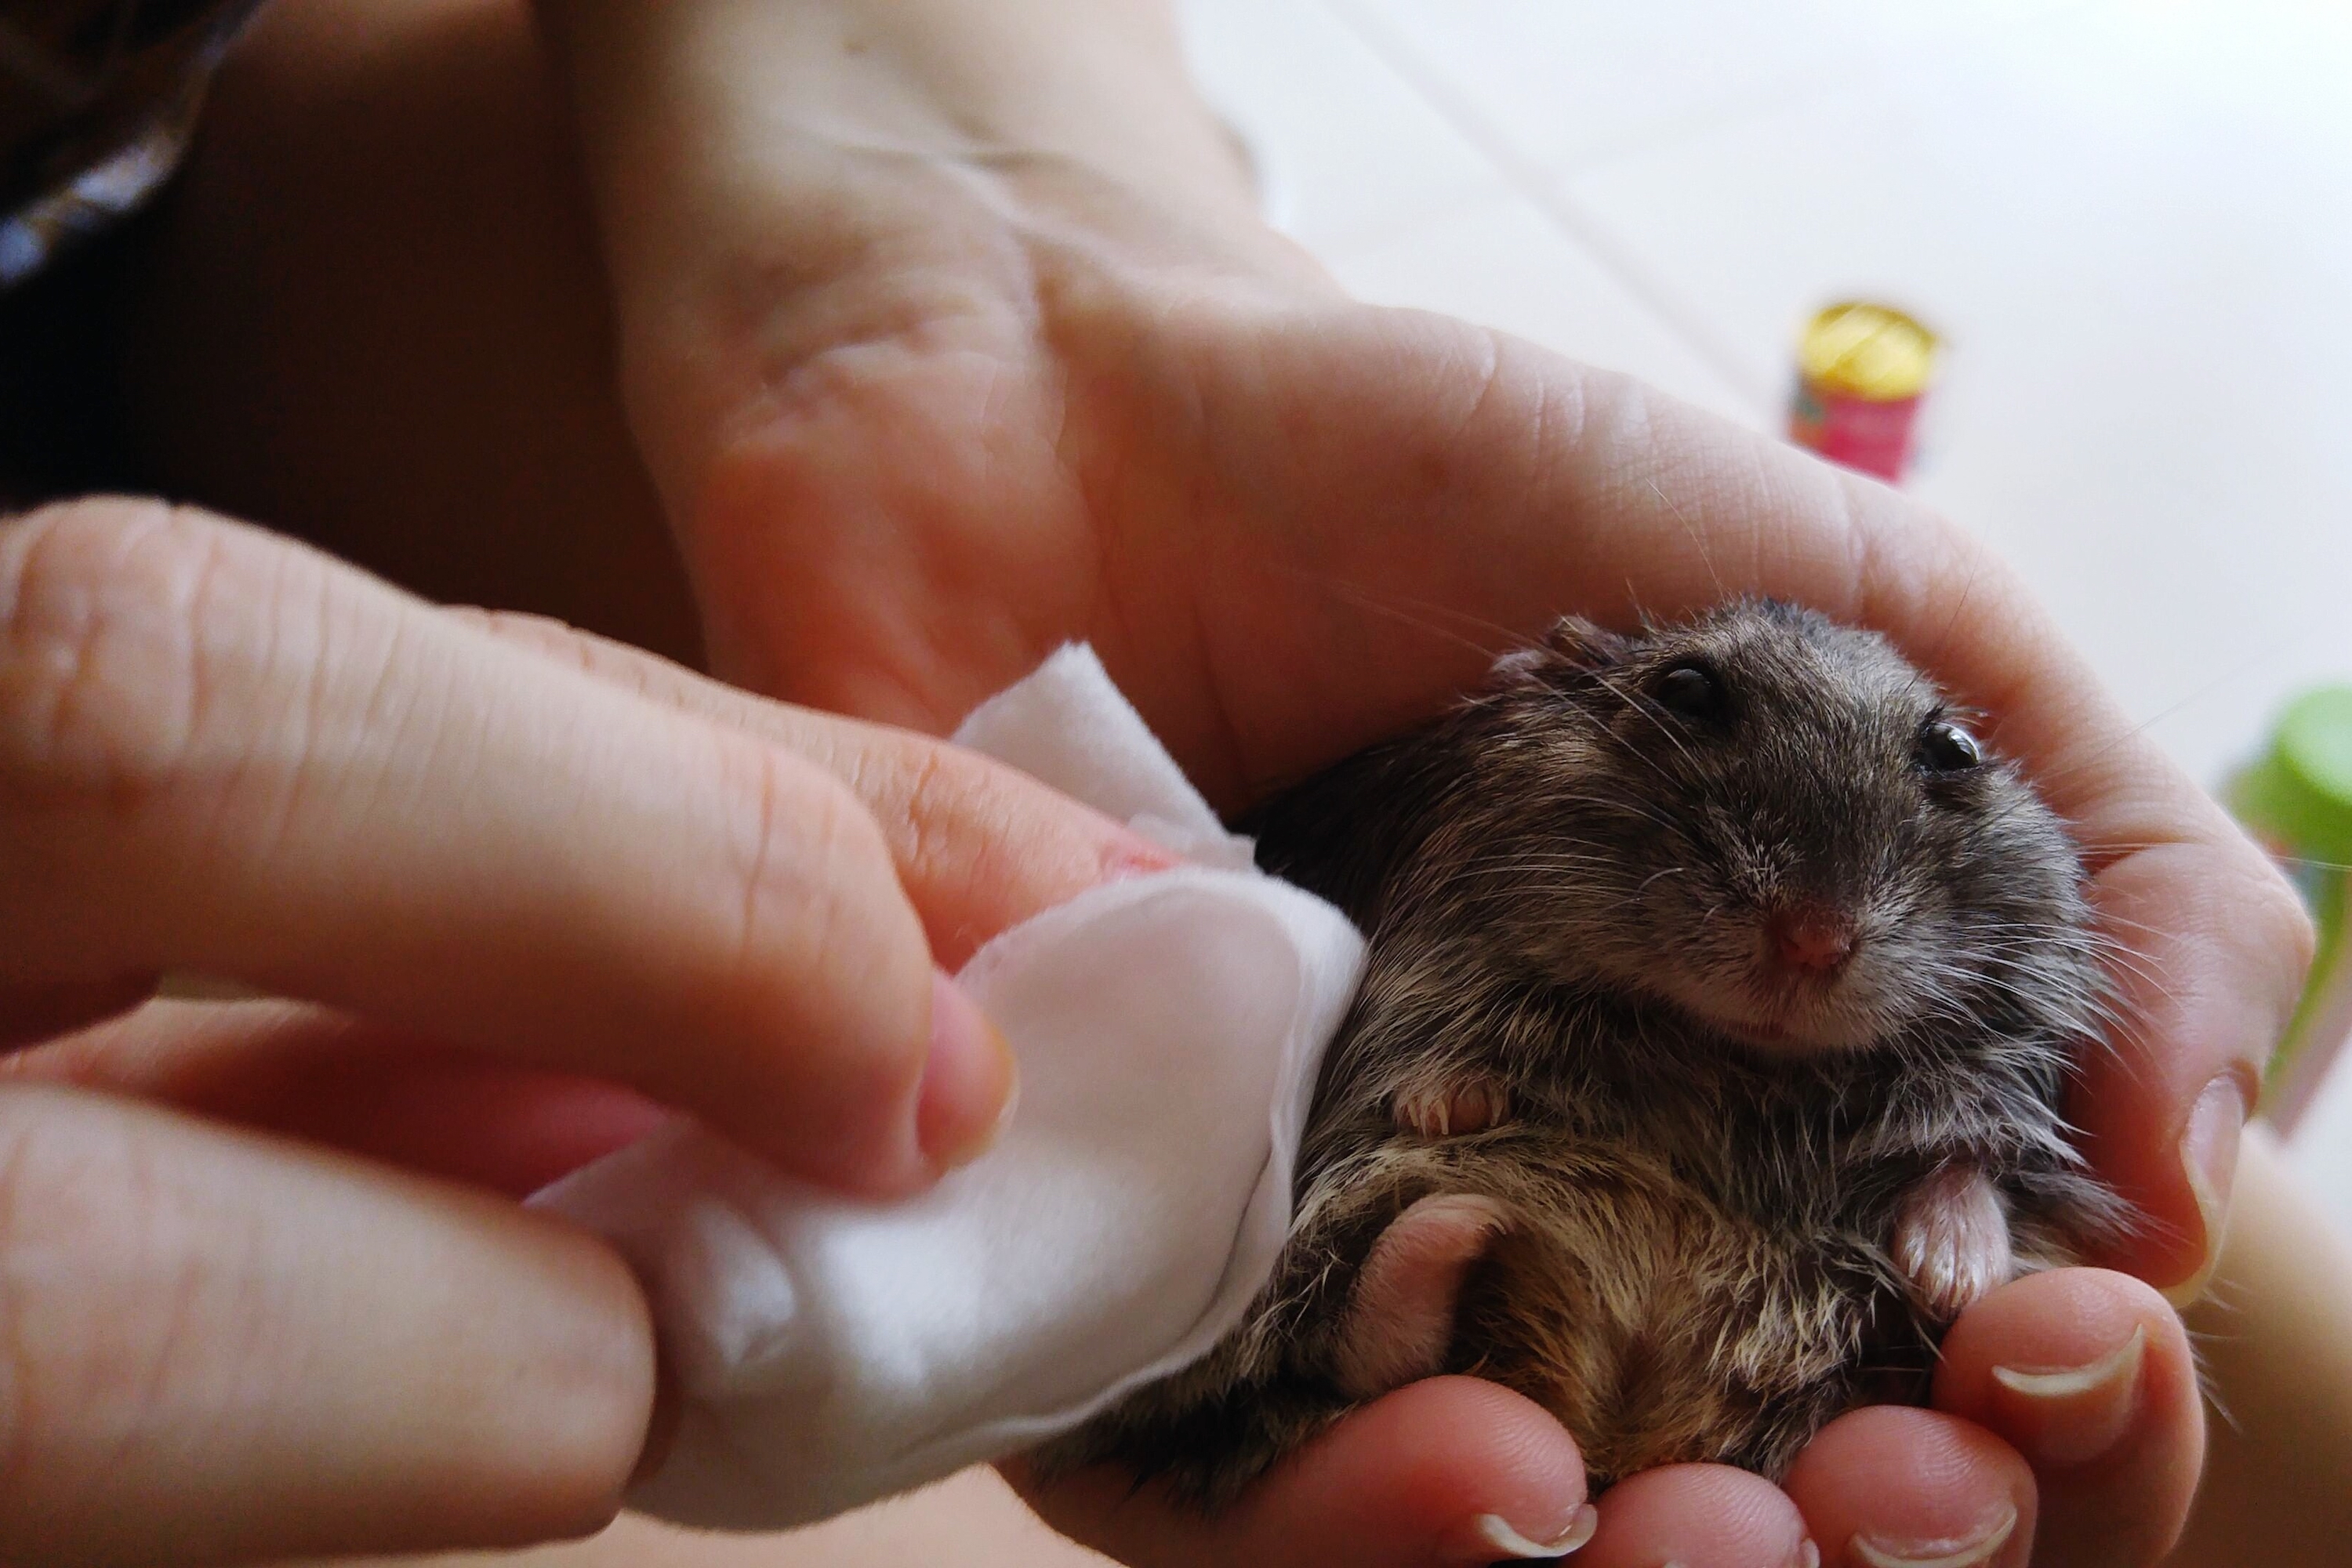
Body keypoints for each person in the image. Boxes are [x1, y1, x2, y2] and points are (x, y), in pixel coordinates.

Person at [0, 0, 2322, 1563]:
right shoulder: (1510, 833)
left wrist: (987, 266)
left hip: (137, 208)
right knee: (1350, 1198)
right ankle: (1423, 1281)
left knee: (2153, 1331)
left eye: (1921, 786)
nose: (1814, 918)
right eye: (1706, 748)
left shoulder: (1963, 909)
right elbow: (1410, 1018)